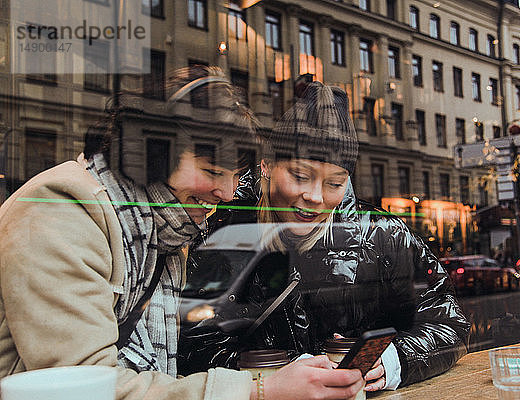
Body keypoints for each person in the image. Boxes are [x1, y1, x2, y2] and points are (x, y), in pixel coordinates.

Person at [0, 68, 363, 400]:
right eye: (212, 171)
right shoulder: (63, 210)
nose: (227, 192)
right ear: (154, 153)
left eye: (236, 176)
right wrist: (260, 390)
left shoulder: (168, 232)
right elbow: (83, 387)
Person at [183, 81, 471, 390]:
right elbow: (193, 342)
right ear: (266, 165)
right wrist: (268, 381)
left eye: (335, 184)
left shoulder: (383, 236)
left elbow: (447, 320)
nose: (315, 197)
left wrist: (395, 359)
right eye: (300, 176)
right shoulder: (220, 227)